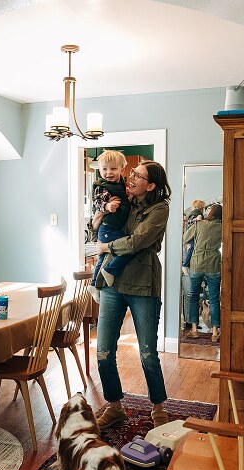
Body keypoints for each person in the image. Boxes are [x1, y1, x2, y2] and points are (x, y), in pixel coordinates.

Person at [92, 160, 172, 430]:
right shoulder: (123, 200)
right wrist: (98, 218)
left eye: (139, 176)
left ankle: (158, 405)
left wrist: (106, 247)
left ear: (150, 185)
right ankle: (114, 406)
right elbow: (99, 227)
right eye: (133, 173)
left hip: (143, 285)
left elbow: (139, 240)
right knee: (103, 351)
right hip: (112, 285)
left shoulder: (160, 209)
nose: (132, 177)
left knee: (148, 353)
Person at [88, 150, 133, 303]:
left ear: (122, 169)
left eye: (113, 169)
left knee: (102, 256)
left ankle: (94, 284)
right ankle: (110, 270)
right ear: (99, 170)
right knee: (129, 248)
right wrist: (107, 206)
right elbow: (98, 202)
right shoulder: (102, 186)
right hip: (107, 228)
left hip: (112, 228)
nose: (108, 173)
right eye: (104, 169)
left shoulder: (121, 185)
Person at [182, 203, 222, 339]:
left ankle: (194, 329)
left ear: (210, 213)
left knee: (193, 297)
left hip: (197, 264)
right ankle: (215, 332)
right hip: (213, 265)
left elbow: (184, 238)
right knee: (214, 299)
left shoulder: (199, 225)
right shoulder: (222, 227)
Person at [181, 199, 206, 274]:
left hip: (189, 234)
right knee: (192, 248)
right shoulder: (198, 213)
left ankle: (186, 265)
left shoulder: (190, 214)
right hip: (195, 235)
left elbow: (189, 222)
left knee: (191, 249)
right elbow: (199, 222)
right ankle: (185, 265)